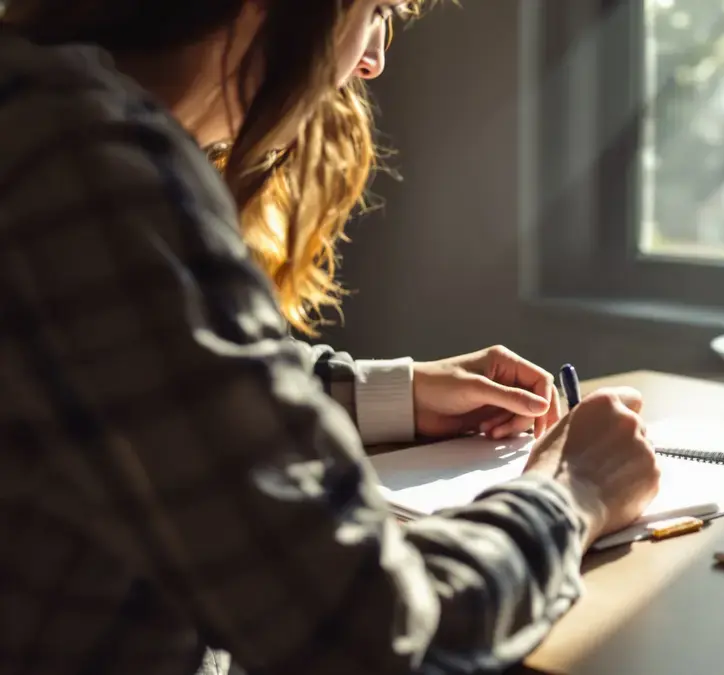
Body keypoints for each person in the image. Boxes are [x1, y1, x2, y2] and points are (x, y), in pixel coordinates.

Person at [0, 1, 662, 674]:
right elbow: (367, 632)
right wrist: (573, 489)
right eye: (375, 9)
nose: (373, 59)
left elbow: (131, 377)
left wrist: (395, 394)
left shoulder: (35, 116)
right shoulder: (88, 171)